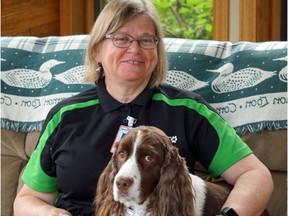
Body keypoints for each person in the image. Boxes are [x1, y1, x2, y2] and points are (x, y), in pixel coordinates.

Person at [14, 0, 273, 215]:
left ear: (157, 52)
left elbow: (255, 175)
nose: (135, 49)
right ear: (96, 51)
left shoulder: (187, 110)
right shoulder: (67, 116)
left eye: (146, 40)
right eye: (121, 39)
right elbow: (27, 199)